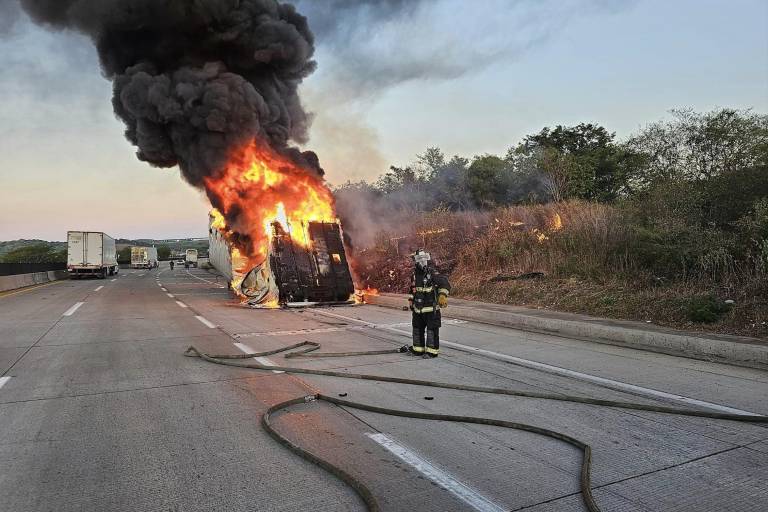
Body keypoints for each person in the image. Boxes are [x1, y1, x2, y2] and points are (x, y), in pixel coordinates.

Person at [408, 249, 450, 358]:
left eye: (424, 258)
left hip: (431, 309)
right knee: (417, 329)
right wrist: (411, 301)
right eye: (419, 259)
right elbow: (413, 289)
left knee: (431, 331)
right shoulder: (414, 275)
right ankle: (418, 350)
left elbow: (444, 283)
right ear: (415, 261)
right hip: (418, 309)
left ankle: (431, 352)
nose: (422, 261)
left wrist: (442, 296)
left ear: (427, 258)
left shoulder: (432, 272)